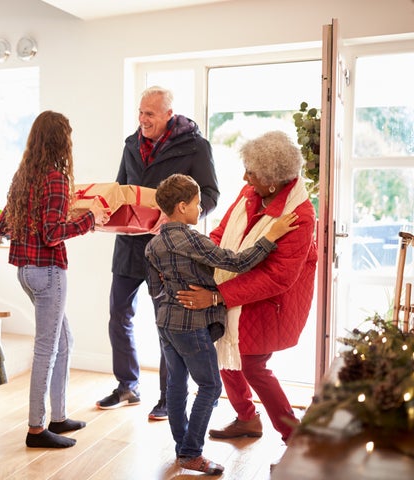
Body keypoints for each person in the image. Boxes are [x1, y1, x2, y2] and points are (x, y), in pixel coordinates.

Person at [145, 174, 298, 474]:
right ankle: (191, 453)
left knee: (176, 385)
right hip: (191, 325)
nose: (200, 209)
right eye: (197, 204)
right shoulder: (193, 240)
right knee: (211, 386)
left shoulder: (153, 244)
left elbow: (155, 289)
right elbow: (237, 262)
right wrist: (270, 236)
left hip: (165, 322)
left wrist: (174, 290)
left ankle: (182, 448)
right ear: (181, 206)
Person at [176, 131, 317, 445]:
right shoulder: (249, 193)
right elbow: (221, 233)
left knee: (252, 363)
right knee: (223, 347)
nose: (244, 177)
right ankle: (246, 419)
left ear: (271, 180)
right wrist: (201, 260)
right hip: (236, 290)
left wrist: (218, 295)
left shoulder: (301, 216)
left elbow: (278, 277)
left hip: (272, 301)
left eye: (251, 172)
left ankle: (294, 435)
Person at [96, 86, 220, 421]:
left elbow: (210, 194)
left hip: (168, 249)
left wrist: (178, 214)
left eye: (150, 114)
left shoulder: (196, 146)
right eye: (140, 112)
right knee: (118, 315)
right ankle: (127, 385)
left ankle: (169, 397)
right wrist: (105, 209)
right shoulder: (130, 144)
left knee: (167, 324)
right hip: (128, 246)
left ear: (168, 114)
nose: (143, 119)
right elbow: (120, 189)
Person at [0, 111, 110, 449]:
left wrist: (38, 220)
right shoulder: (56, 179)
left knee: (66, 340)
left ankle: (58, 417)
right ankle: (35, 429)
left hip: (25, 272)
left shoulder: (22, 177)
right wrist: (89, 219)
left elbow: (2, 227)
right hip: (48, 272)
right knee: (47, 348)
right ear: (62, 140)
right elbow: (51, 233)